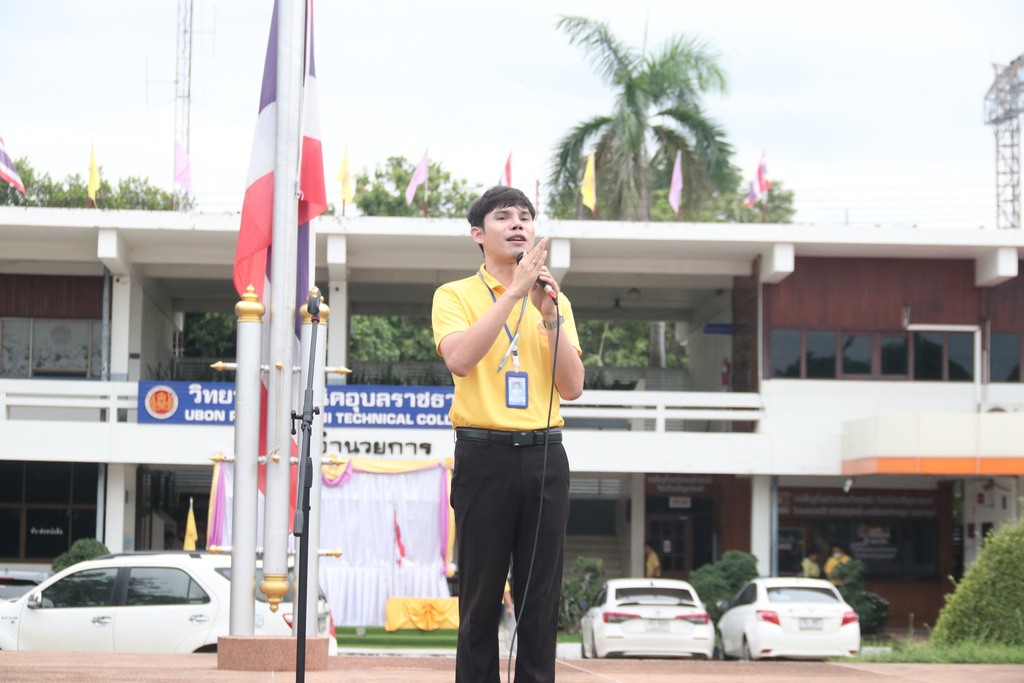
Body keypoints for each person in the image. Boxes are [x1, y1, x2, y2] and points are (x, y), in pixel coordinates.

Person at [432, 186, 585, 683]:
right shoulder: (454, 295)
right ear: (478, 234)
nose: (518, 224)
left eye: (525, 216)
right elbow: (459, 359)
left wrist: (549, 315)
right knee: (480, 600)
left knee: (540, 599)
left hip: (545, 455)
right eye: (504, 217)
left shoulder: (555, 300)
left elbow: (572, 387)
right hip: (484, 454)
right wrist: (514, 293)